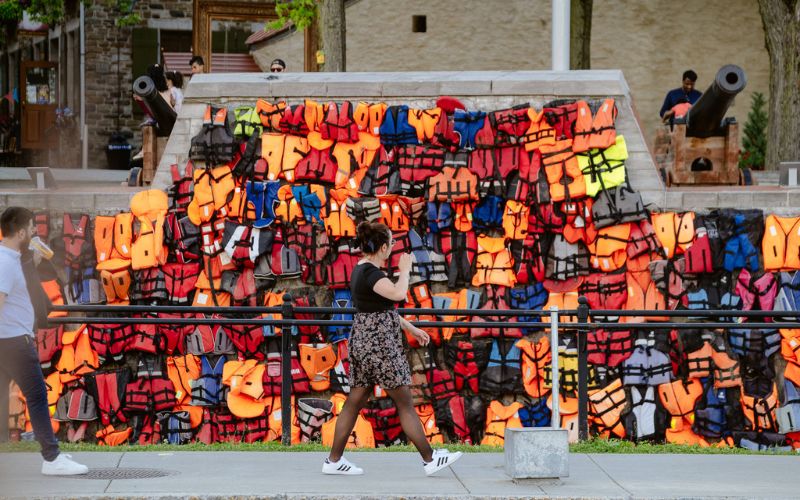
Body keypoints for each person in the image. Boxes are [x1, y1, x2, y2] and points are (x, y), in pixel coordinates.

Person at [322, 222, 463, 477]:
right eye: (392, 244)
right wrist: (405, 270)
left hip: (364, 342)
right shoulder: (373, 274)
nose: (394, 248)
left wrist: (412, 329)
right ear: (384, 247)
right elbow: (398, 295)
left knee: (354, 401)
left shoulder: (360, 270)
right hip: (380, 346)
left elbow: (381, 308)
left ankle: (333, 461)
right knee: (405, 403)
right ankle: (430, 459)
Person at [0, 207, 88, 476]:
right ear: (21, 230)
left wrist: (34, 263)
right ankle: (52, 459)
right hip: (14, 341)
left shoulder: (12, 258)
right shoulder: (5, 261)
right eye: (32, 228)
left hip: (9, 340)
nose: (36, 232)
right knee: (38, 397)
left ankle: (52, 455)